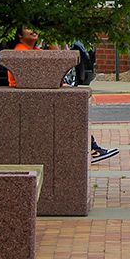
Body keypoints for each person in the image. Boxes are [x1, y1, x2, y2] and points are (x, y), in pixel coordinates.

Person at [10, 28, 118, 162]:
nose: (33, 30)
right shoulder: (21, 51)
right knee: (70, 112)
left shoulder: (35, 52)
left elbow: (58, 60)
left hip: (37, 97)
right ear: (19, 34)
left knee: (72, 111)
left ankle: (90, 148)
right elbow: (33, 80)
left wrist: (51, 39)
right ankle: (91, 149)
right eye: (28, 28)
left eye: (35, 28)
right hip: (29, 101)